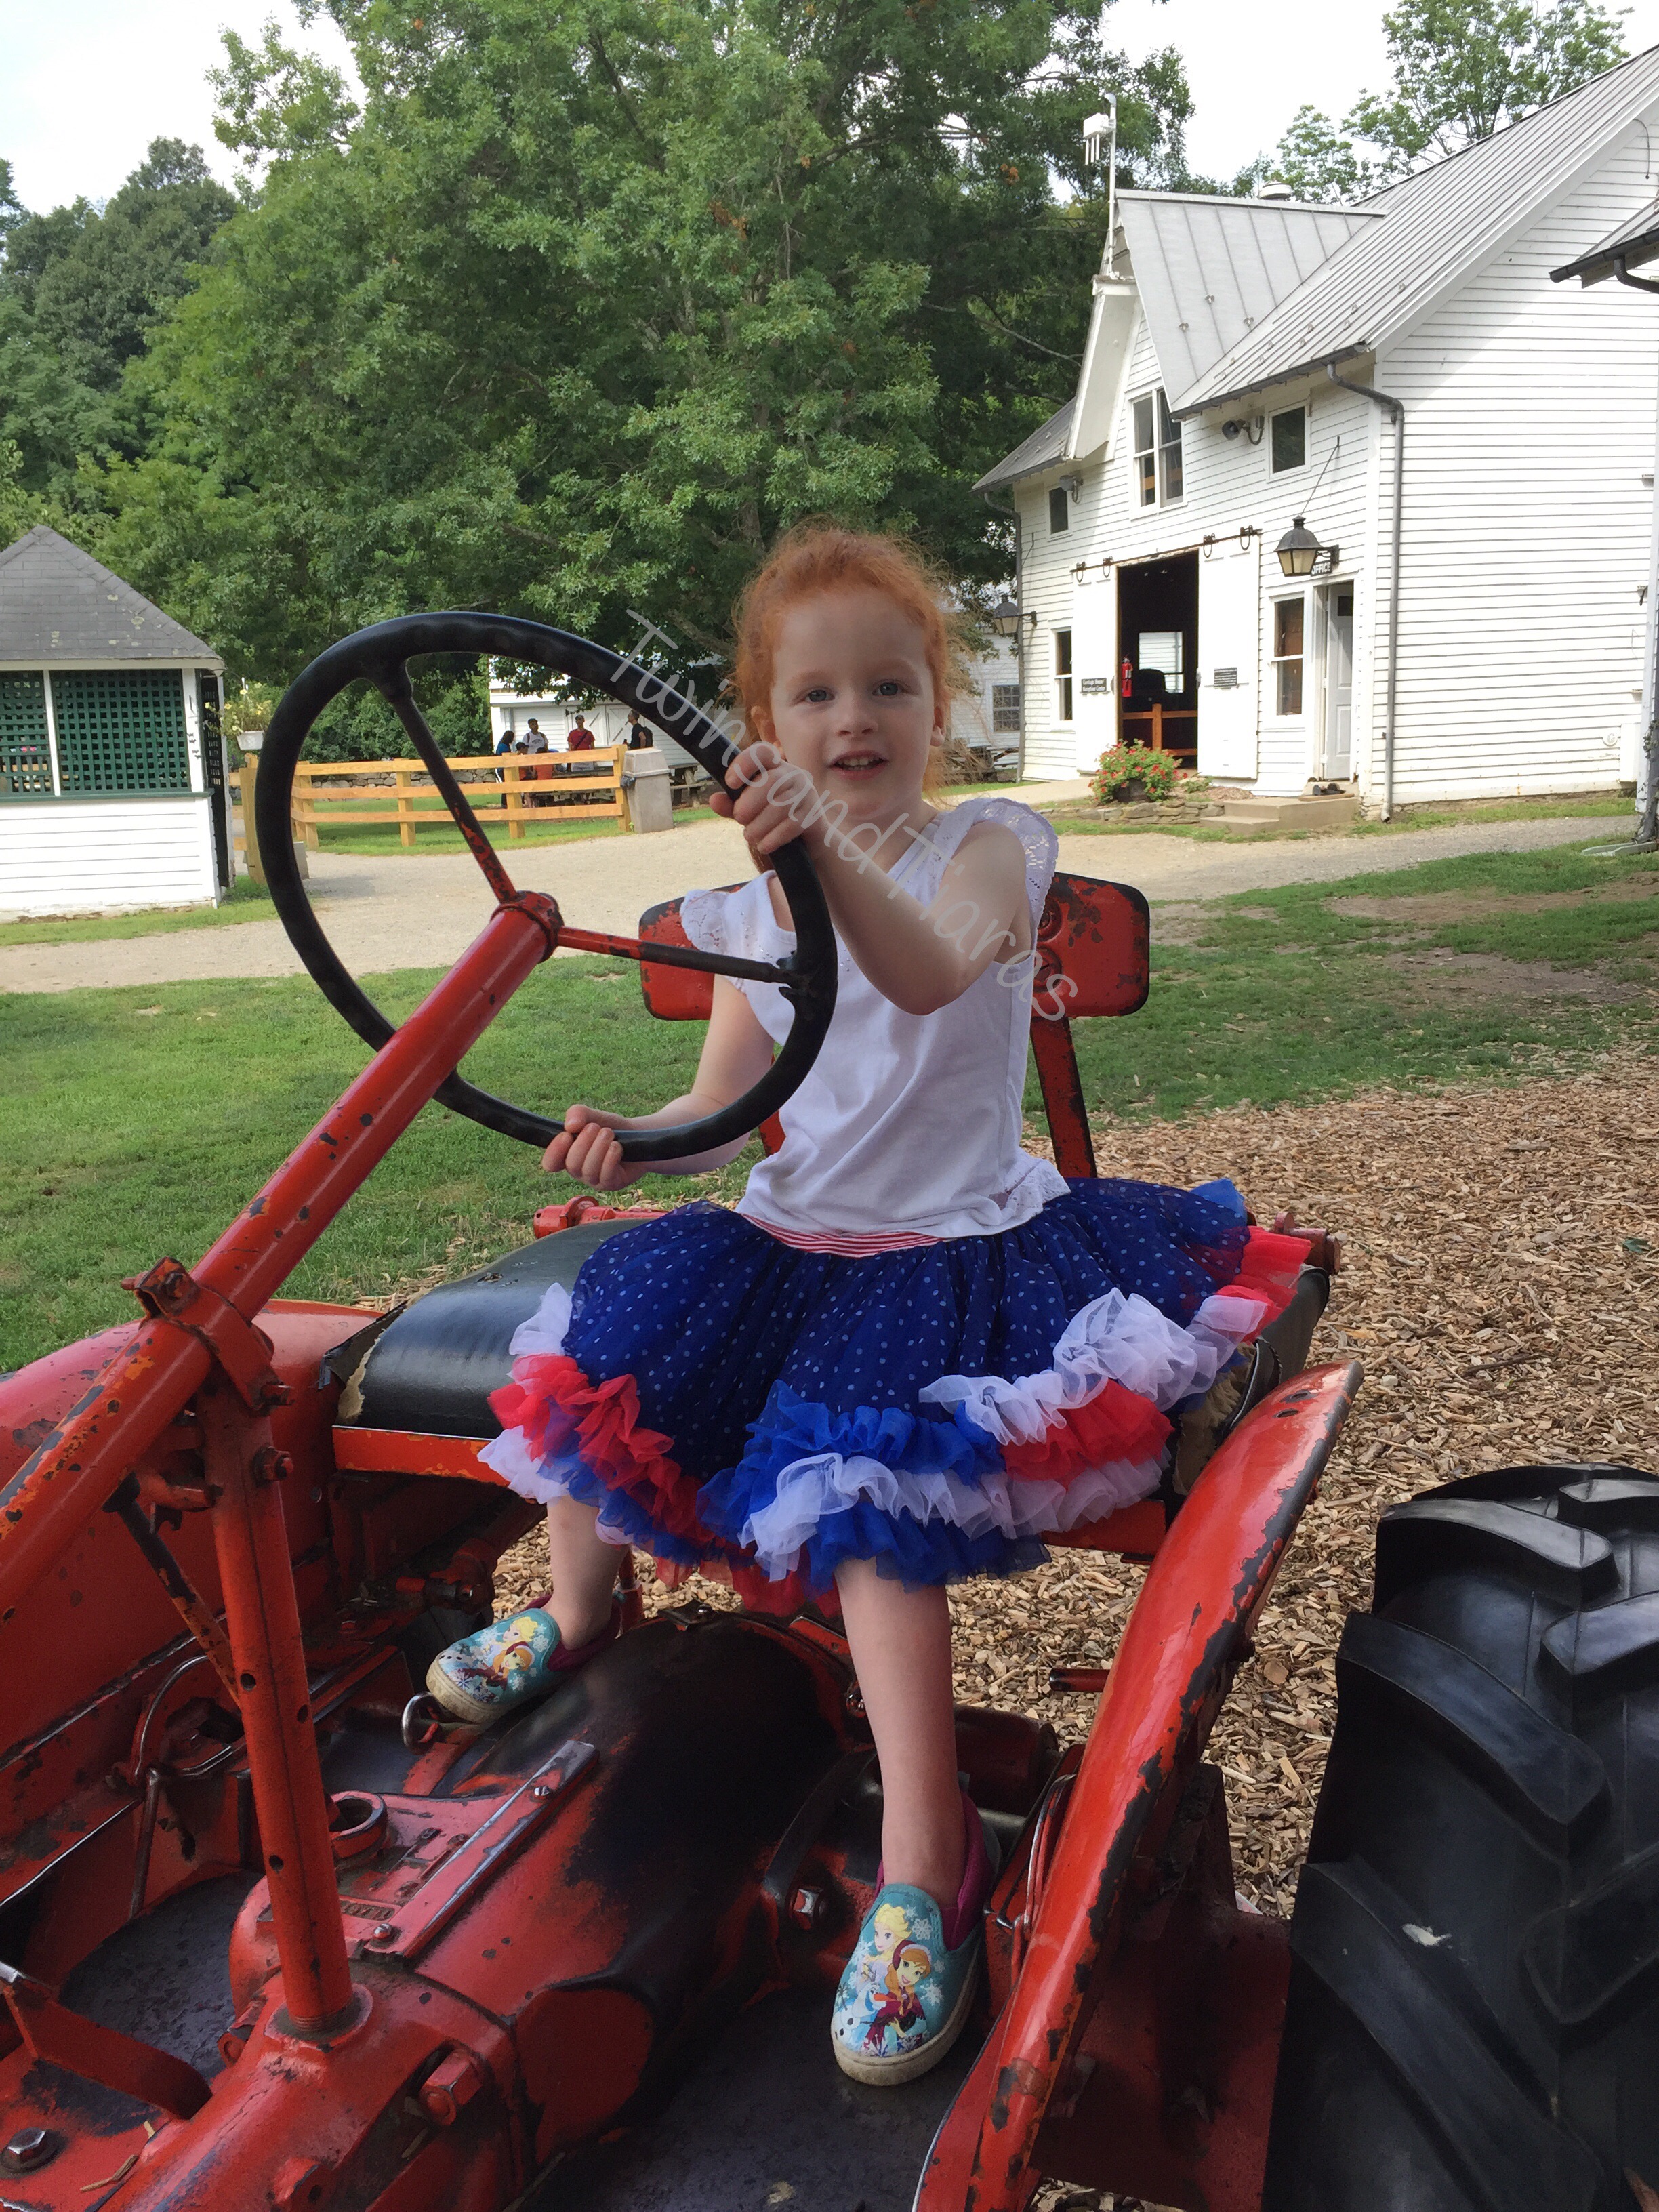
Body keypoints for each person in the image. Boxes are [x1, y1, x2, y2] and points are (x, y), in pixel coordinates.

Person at [424, 524, 1307, 2085]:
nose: (856, 720)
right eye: (816, 695)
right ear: (761, 726)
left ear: (936, 706)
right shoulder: (750, 915)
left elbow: (923, 975)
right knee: (598, 1357)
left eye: (888, 687)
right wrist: (635, 1140)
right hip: (792, 1242)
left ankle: (925, 1862)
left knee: (867, 1495)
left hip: (957, 1249)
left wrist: (816, 852)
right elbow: (728, 1104)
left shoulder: (989, 852)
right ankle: (575, 1610)